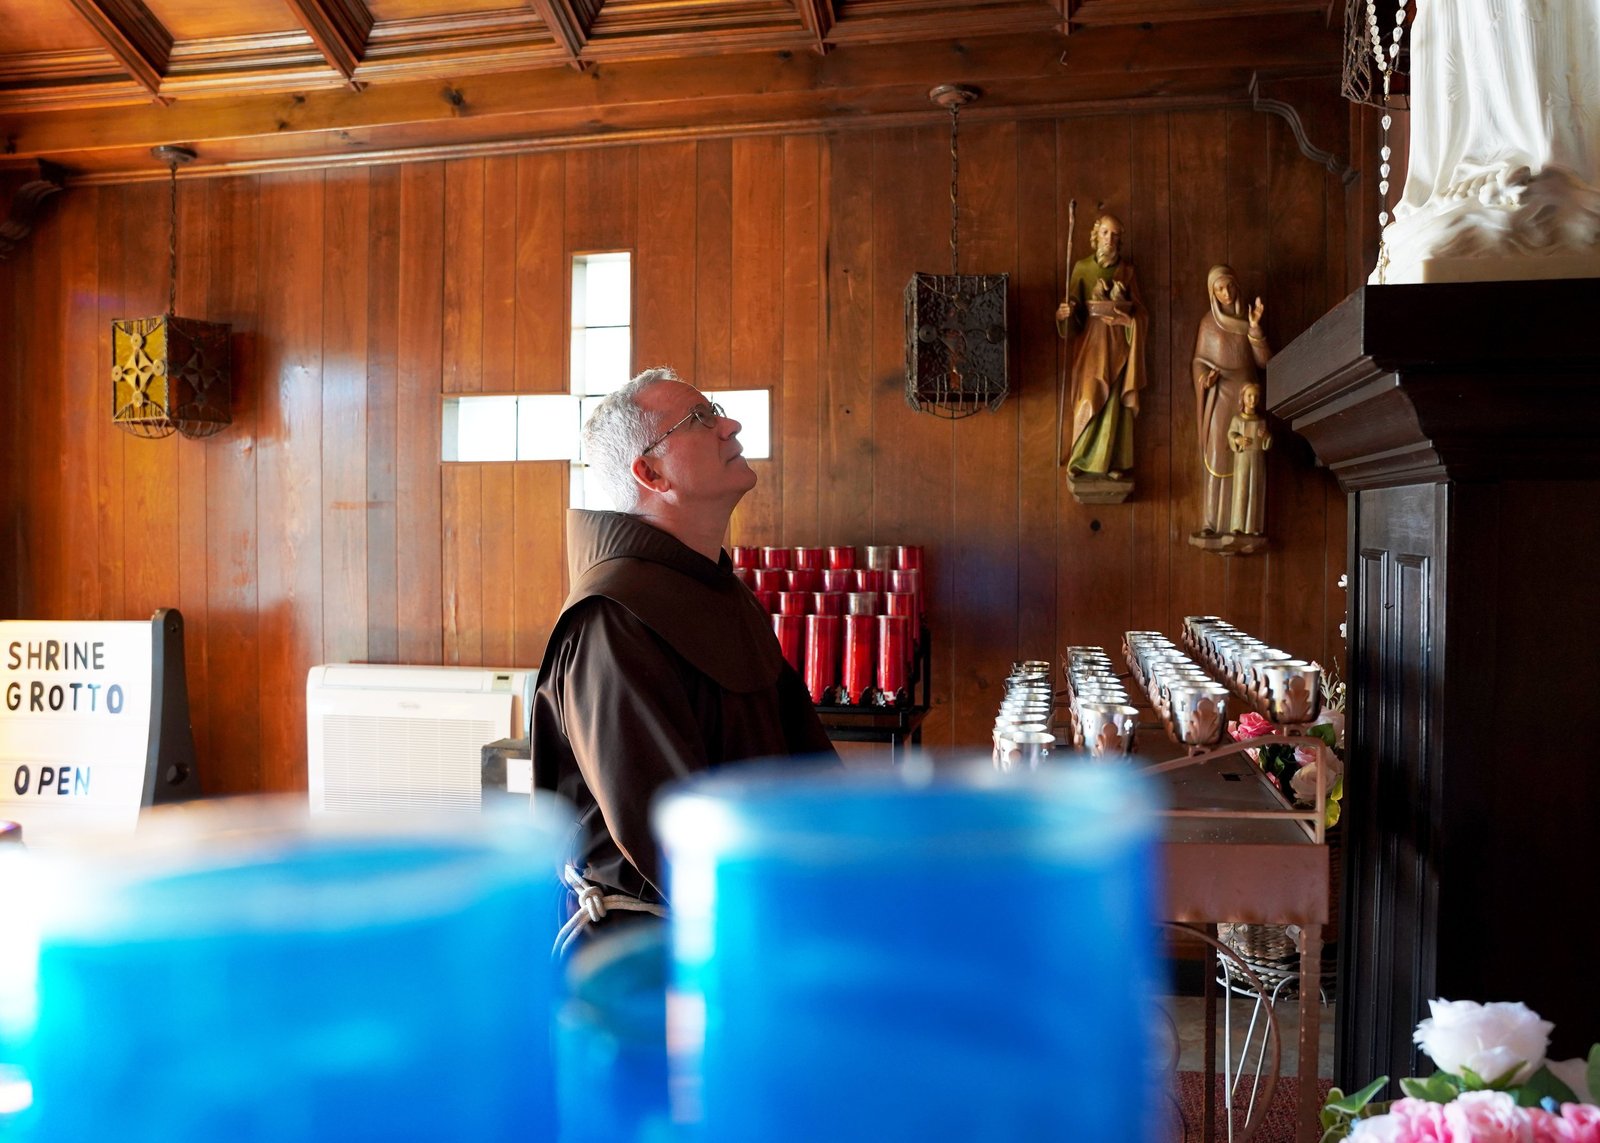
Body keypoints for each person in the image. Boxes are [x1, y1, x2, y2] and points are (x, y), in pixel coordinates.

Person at [531, 366, 836, 946]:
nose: (731, 425)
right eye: (700, 419)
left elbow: (806, 773)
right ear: (649, 472)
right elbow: (664, 835)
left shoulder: (718, 591)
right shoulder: (613, 617)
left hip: (752, 921)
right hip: (655, 955)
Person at [1055, 213, 1147, 478]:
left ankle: (1114, 462)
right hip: (1090, 345)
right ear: (1096, 236)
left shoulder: (1127, 272)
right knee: (1088, 395)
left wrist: (1129, 319)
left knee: (1115, 403)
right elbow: (1072, 308)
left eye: (1116, 234)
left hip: (1119, 344)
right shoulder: (1083, 268)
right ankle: (1081, 459)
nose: (1110, 239)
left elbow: (1142, 312)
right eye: (1106, 233)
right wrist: (1064, 314)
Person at [1191, 266, 1269, 536]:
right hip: (1220, 394)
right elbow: (1199, 361)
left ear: (1237, 286)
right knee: (1217, 454)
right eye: (1219, 289)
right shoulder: (1208, 323)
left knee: (1246, 455)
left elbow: (1264, 361)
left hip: (1246, 393)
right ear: (1212, 293)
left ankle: (1242, 522)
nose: (1226, 293)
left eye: (1229, 287)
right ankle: (1211, 522)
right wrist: (1205, 379)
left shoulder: (1249, 320)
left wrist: (1256, 330)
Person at [1227, 381, 1271, 536]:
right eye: (1249, 396)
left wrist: (1266, 437)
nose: (1253, 399)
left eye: (1256, 396)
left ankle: (1253, 526)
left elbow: (1268, 441)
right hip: (1243, 459)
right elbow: (1231, 434)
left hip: (1258, 459)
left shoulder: (1261, 421)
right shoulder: (1238, 420)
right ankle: (1237, 525)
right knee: (1242, 489)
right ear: (1243, 398)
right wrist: (1238, 440)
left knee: (1255, 490)